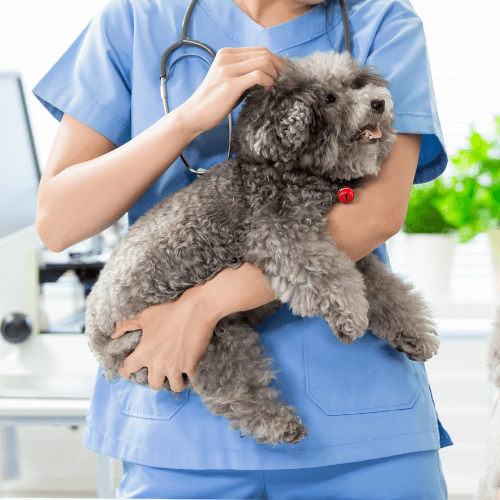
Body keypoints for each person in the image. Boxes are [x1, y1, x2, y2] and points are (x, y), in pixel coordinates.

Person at [33, 0, 453, 498]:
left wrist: (203, 305)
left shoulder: (382, 20)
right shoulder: (133, 20)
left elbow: (376, 214)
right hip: (179, 416)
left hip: (360, 421)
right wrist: (188, 119)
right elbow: (59, 223)